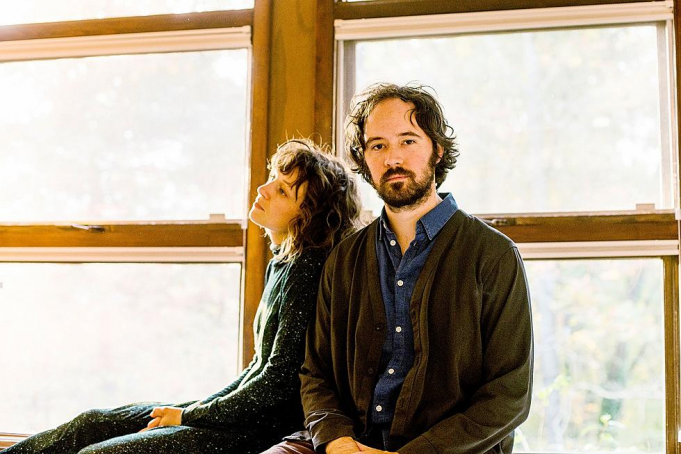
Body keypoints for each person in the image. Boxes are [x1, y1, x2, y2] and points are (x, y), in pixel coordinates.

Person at [3, 139, 362, 454]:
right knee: (92, 422)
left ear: (310, 217)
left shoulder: (308, 269)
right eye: (273, 177)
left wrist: (189, 414)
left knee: (99, 452)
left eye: (283, 190)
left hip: (257, 431)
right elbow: (257, 368)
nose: (264, 189)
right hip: (235, 415)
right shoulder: (283, 262)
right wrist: (200, 406)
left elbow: (275, 386)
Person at [263, 84, 533, 454]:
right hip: (342, 444)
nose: (393, 159)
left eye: (408, 141)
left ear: (437, 149)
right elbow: (316, 373)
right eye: (378, 145)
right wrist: (338, 441)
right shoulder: (343, 259)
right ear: (363, 157)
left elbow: (509, 395)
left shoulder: (493, 254)